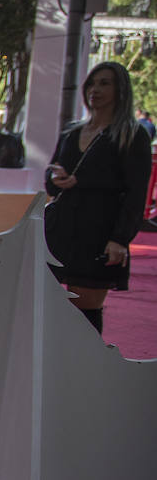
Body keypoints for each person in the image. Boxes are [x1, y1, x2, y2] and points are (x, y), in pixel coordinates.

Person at [44, 61, 153, 335]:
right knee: (46, 307)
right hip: (60, 229)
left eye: (105, 83)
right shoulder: (71, 131)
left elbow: (136, 193)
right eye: (92, 83)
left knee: (85, 311)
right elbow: (51, 175)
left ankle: (83, 362)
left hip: (99, 232)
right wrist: (55, 179)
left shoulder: (132, 135)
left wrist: (120, 239)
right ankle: (52, 361)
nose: (95, 89)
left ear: (121, 90)